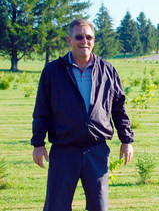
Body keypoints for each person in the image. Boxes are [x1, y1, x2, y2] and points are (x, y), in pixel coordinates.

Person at [31, 19, 134, 211]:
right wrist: (38, 143)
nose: (84, 41)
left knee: (99, 207)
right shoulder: (53, 71)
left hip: (96, 150)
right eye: (79, 37)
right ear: (69, 40)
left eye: (89, 37)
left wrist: (126, 140)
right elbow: (41, 110)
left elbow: (119, 108)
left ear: (94, 41)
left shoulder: (107, 71)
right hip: (63, 150)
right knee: (56, 206)